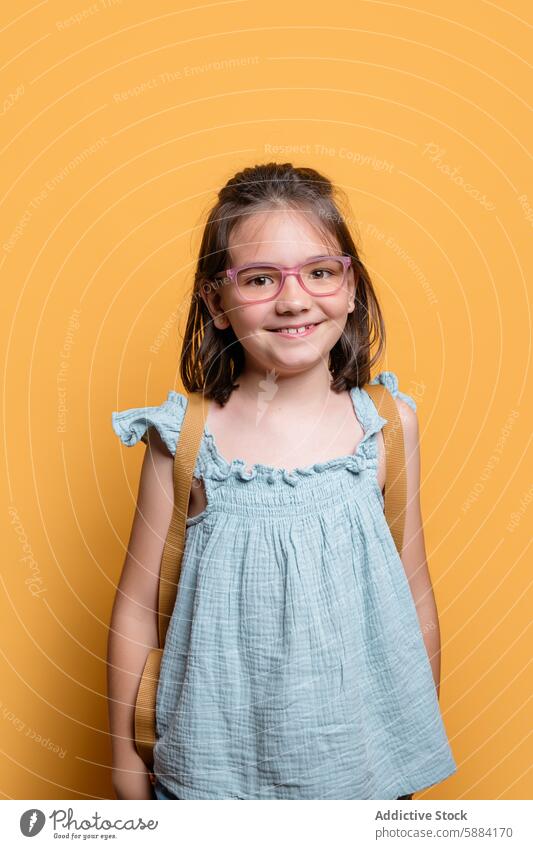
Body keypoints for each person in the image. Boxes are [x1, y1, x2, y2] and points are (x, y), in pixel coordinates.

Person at [107, 162, 457, 800]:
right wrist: (127, 775)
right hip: (214, 773)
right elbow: (135, 607)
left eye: (320, 272)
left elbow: (414, 593)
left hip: (360, 776)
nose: (294, 299)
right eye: (261, 279)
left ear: (351, 289)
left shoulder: (386, 427)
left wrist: (404, 748)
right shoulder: (183, 437)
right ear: (216, 303)